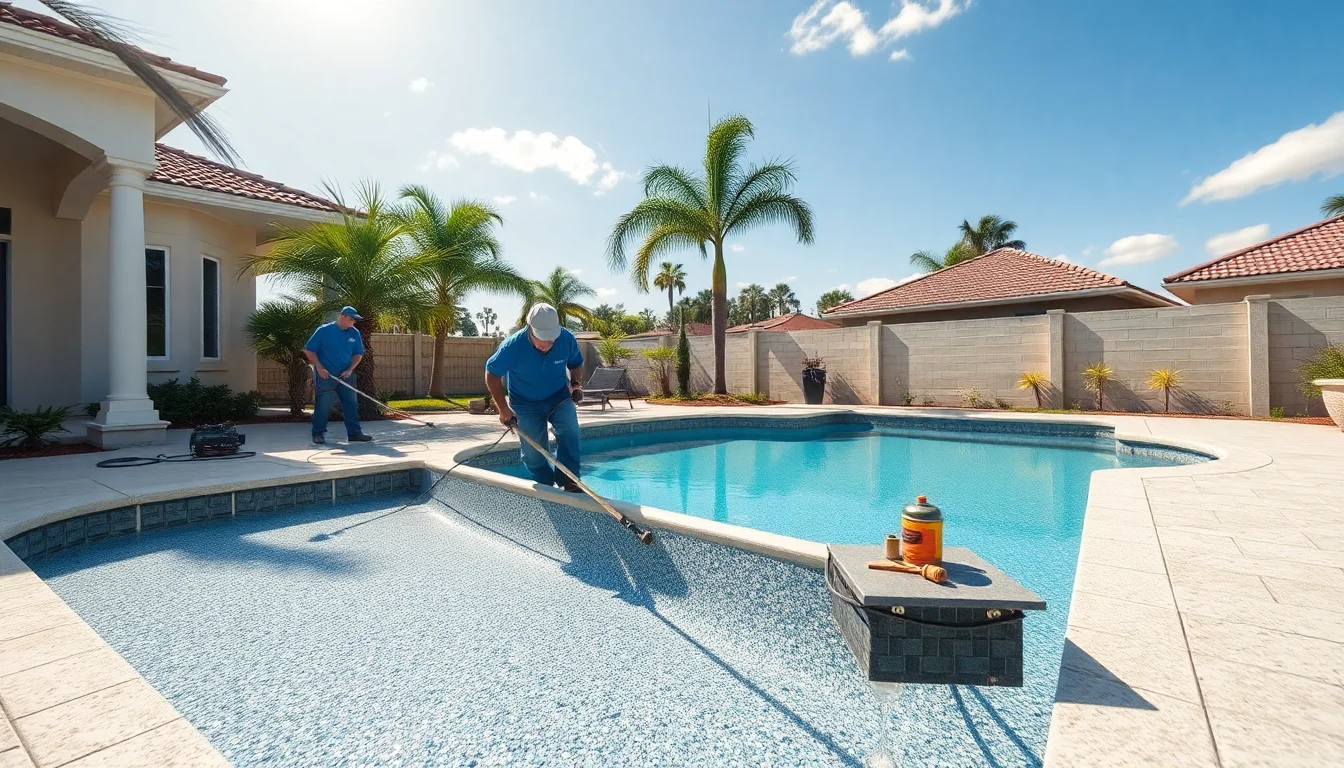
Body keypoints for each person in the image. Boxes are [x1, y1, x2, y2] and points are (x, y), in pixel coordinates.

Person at [485, 304, 585, 490]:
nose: (546, 345)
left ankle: (569, 481)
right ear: (530, 328)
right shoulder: (512, 346)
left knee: (571, 430)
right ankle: (546, 485)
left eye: (551, 340)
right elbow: (491, 374)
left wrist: (576, 384)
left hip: (559, 397)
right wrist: (503, 408)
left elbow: (576, 363)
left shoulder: (566, 339)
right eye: (541, 339)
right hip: (525, 403)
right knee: (533, 453)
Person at [304, 306, 374, 445]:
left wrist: (350, 369)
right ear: (342, 316)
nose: (353, 322)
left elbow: (358, 354)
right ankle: (318, 433)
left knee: (351, 404)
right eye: (351, 319)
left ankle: (355, 433)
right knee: (323, 405)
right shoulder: (324, 330)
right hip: (326, 375)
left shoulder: (354, 333)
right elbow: (310, 350)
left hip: (346, 375)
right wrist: (319, 366)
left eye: (355, 320)